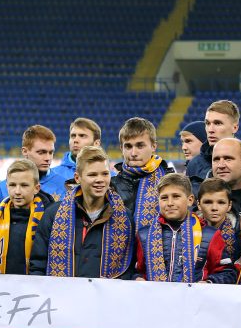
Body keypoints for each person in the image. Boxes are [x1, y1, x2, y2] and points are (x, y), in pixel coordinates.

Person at [46, 148, 135, 280]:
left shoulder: (125, 217)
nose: (100, 180)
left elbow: (129, 265)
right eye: (92, 175)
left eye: (105, 174)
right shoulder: (54, 214)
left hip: (107, 297)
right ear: (77, 178)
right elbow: (39, 263)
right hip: (63, 296)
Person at [134, 175, 208, 283]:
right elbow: (138, 270)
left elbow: (226, 272)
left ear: (190, 200)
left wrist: (209, 282)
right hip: (155, 297)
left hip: (192, 298)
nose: (169, 203)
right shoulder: (144, 235)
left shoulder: (208, 234)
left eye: (176, 196)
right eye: (164, 198)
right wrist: (137, 278)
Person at [0, 161, 51, 276]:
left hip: (36, 288)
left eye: (24, 185)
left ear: (36, 188)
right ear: (6, 187)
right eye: (12, 185)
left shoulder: (47, 220)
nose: (17, 191)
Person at [110, 118, 172, 223]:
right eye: (128, 146)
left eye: (140, 146)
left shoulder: (170, 181)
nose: (133, 153)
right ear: (121, 148)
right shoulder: (110, 185)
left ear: (153, 146)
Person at [0, 125, 57, 207]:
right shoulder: (2, 188)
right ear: (25, 151)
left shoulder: (63, 186)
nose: (48, 158)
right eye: (41, 152)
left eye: (51, 152)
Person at [40, 118, 101, 200]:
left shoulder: (110, 177)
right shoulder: (51, 175)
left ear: (96, 143)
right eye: (73, 136)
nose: (75, 140)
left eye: (82, 136)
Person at [200, 99, 241, 173]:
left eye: (218, 123)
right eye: (207, 123)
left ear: (235, 128)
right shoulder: (195, 164)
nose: (210, 130)